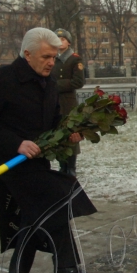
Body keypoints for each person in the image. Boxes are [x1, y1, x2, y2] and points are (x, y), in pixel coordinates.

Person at [0, 28, 96, 273]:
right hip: (10, 160)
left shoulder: (47, 81)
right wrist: (16, 143)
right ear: (27, 54)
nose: (52, 62)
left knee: (36, 214)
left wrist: (68, 132)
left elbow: (53, 120)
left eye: (55, 56)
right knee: (57, 197)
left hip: (38, 158)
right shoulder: (0, 79)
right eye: (47, 56)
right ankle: (63, 266)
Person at [51, 29, 85, 177]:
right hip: (54, 101)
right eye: (57, 39)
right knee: (58, 133)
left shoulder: (74, 59)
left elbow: (78, 81)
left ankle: (71, 166)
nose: (60, 42)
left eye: (63, 39)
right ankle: (62, 165)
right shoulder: (52, 58)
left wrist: (56, 85)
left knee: (71, 133)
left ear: (69, 42)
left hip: (68, 103)